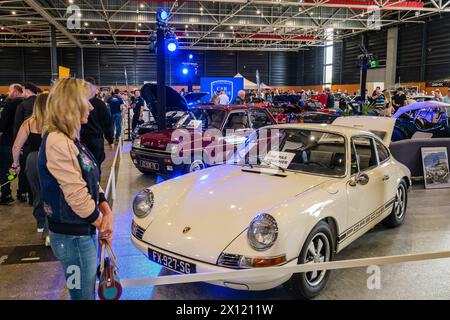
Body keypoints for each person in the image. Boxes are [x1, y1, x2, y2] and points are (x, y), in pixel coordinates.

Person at [39, 78, 113, 300]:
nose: (91, 106)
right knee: (82, 295)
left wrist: (105, 208)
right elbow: (76, 195)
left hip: (81, 232)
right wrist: (103, 223)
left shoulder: (70, 139)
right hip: (72, 236)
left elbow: (89, 177)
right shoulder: (57, 142)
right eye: (86, 101)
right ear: (70, 105)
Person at [12, 93, 49, 244]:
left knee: (36, 192)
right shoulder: (54, 122)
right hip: (49, 159)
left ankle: (40, 222)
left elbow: (16, 146)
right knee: (50, 192)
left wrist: (16, 163)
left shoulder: (28, 123)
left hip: (32, 159)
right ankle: (48, 227)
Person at [80, 77, 114, 177]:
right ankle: (95, 184)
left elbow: (107, 122)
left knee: (84, 167)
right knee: (96, 166)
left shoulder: (79, 103)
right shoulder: (100, 104)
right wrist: (110, 139)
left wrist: (110, 139)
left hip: (83, 139)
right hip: (94, 139)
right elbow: (107, 122)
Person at [13, 82, 41, 203]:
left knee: (27, 173)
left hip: (28, 147)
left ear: (27, 90)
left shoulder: (22, 105)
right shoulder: (43, 104)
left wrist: (18, 149)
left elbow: (17, 127)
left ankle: (27, 195)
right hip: (45, 148)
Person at [0, 84, 23, 205]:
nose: (8, 93)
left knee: (4, 169)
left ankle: (6, 194)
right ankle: (22, 193)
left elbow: (2, 125)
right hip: (23, 143)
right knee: (18, 169)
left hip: (7, 143)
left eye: (10, 91)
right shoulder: (27, 104)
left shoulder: (10, 104)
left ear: (15, 91)